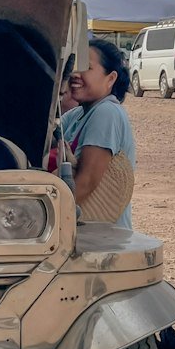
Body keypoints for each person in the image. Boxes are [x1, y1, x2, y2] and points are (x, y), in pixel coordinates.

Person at [61, 39, 136, 228]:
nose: (75, 74)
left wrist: (47, 215)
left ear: (110, 78)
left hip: (100, 237)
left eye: (86, 67)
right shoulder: (76, 115)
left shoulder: (106, 113)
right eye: (74, 67)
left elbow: (86, 182)